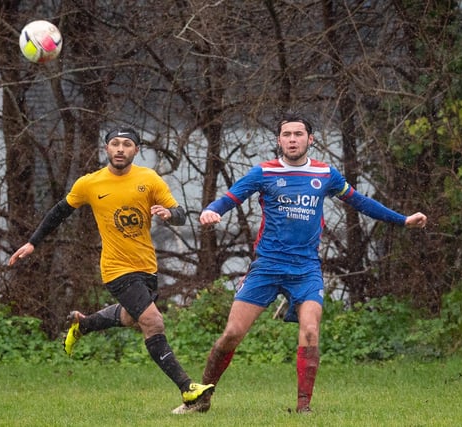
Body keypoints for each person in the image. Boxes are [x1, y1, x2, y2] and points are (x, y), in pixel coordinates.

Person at [172, 113, 427, 415]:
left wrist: (403, 220)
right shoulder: (264, 172)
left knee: (309, 331)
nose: (292, 139)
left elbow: (360, 202)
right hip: (267, 266)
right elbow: (230, 197)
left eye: (298, 134)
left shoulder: (326, 174)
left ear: (310, 139)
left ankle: (303, 409)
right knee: (232, 334)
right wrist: (211, 211)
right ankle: (201, 397)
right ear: (278, 140)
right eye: (286, 135)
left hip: (305, 269)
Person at [8, 126, 214, 409]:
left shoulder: (149, 179)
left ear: (136, 150)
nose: (120, 149)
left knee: (130, 318)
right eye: (114, 143)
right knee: (153, 322)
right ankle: (188, 389)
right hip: (116, 269)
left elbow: (179, 214)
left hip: (147, 267)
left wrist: (169, 214)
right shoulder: (90, 184)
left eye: (126, 144)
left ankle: (85, 325)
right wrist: (32, 243)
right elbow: (59, 211)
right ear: (106, 148)